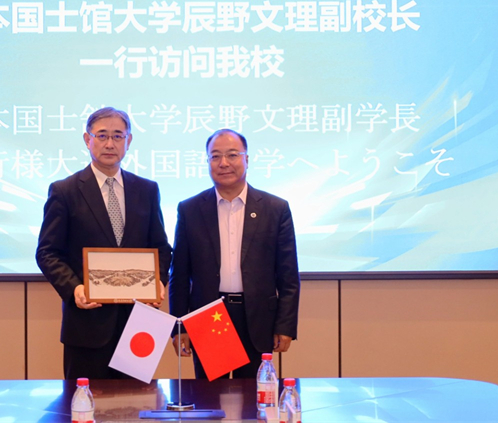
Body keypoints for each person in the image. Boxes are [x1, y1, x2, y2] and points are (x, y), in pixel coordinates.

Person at [36, 107, 172, 379]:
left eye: (118, 136)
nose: (110, 143)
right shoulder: (65, 190)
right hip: (87, 325)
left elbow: (161, 247)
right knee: (86, 400)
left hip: (138, 327)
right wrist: (74, 289)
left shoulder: (147, 189)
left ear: (128, 141)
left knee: (136, 401)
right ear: (88, 139)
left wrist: (158, 280)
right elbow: (48, 252)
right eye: (102, 135)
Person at [168, 128, 300, 378]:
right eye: (215, 156)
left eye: (232, 155)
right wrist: (179, 326)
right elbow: (180, 275)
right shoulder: (190, 209)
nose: (224, 163)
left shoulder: (275, 208)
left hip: (256, 317)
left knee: (254, 393)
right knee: (210, 395)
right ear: (207, 161)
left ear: (246, 159)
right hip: (209, 316)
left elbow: (288, 275)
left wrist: (285, 325)